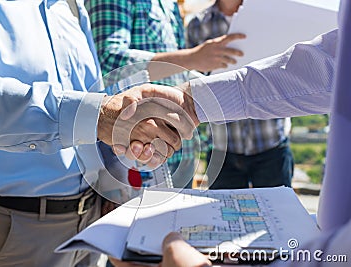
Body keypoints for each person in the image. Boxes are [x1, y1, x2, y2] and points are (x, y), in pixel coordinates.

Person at [0, 1, 195, 266]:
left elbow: (92, 107)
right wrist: (99, 116)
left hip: (91, 224)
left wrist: (115, 197)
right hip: (17, 230)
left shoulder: (72, 7)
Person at [112, 0, 351, 265]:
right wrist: (192, 103)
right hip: (222, 150)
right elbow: (328, 65)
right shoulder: (195, 24)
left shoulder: (272, 13)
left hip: (270, 148)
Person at [84, 0, 245, 188]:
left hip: (180, 149)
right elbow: (109, 61)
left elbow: (176, 71)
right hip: (138, 154)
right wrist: (193, 58)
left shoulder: (170, 4)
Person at [187, 0, 294, 189]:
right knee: (224, 216)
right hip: (222, 148)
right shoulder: (197, 24)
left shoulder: (269, 17)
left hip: (271, 143)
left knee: (276, 215)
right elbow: (193, 77)